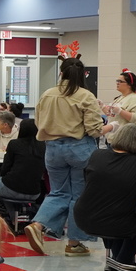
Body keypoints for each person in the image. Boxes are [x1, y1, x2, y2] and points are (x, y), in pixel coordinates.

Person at [25, 56, 103, 257]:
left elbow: (39, 122)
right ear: (82, 74)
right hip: (79, 149)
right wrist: (111, 126)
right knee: (79, 195)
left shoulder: (47, 94)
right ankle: (74, 243)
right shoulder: (86, 96)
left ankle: (38, 225)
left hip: (52, 149)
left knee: (58, 192)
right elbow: (94, 130)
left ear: (61, 72)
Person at [73, 124, 136, 269]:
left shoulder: (97, 155)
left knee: (118, 211)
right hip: (115, 221)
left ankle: (117, 261)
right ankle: (123, 262)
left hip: (82, 216)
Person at [0, 119, 46, 211]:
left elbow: (5, 169)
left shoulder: (14, 144)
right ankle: (13, 217)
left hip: (13, 187)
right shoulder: (43, 146)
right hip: (35, 192)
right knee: (6, 185)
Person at [101, 69, 136, 142]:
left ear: (129, 84)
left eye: (120, 81)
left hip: (127, 141)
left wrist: (120, 111)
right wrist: (102, 106)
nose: (117, 83)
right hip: (114, 139)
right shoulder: (119, 98)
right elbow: (111, 115)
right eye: (117, 81)